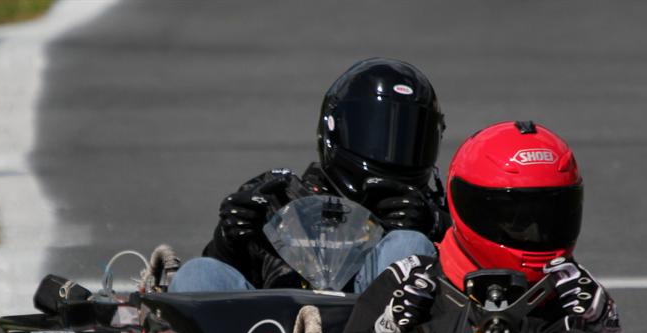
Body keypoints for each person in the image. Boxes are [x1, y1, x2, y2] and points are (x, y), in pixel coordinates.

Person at [339, 120, 627, 333]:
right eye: (515, 219)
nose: (534, 231)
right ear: (472, 207)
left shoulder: (571, 292)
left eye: (548, 217)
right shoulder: (408, 280)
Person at [168, 57, 450, 294]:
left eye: (408, 137)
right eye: (375, 133)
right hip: (274, 325)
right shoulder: (277, 196)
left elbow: (470, 278)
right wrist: (229, 242)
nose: (392, 152)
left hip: (374, 329)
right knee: (196, 274)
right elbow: (221, 274)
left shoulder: (431, 211)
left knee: (408, 245)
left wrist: (437, 226)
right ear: (334, 129)